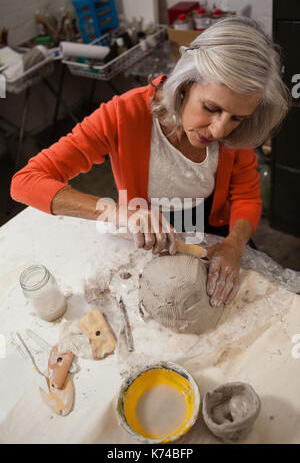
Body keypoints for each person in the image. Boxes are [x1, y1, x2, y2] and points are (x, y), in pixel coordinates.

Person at [11, 17, 289, 308]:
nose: (220, 130)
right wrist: (121, 214)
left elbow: (245, 194)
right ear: (184, 87)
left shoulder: (235, 133)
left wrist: (234, 244)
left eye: (236, 118)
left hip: (211, 223)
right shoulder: (123, 115)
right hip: (146, 226)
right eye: (210, 108)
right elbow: (26, 182)